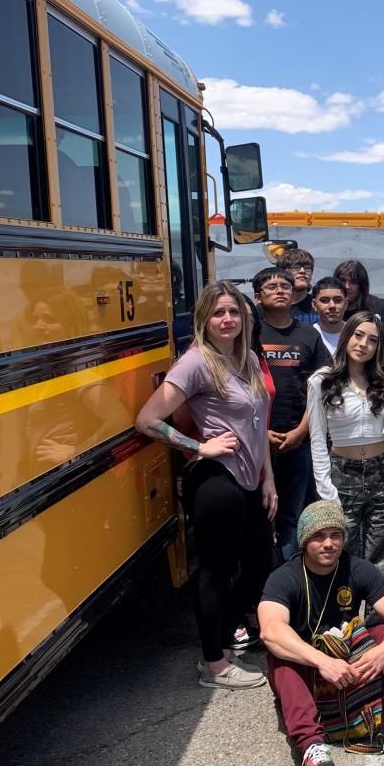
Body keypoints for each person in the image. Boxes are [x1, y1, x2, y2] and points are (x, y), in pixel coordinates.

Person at [135, 281, 274, 690]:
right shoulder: (195, 363)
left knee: (260, 567)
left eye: (233, 311)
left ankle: (223, 637)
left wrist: (270, 481)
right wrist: (199, 446)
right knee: (215, 571)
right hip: (217, 481)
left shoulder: (246, 357)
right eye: (218, 313)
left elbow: (260, 423)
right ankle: (214, 664)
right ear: (204, 320)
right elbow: (146, 419)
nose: (227, 319)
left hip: (251, 480)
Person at [259, 501, 384, 766]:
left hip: (349, 665)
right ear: (304, 541)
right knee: (281, 655)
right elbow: (271, 630)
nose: (328, 544)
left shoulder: (357, 568)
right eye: (318, 536)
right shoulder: (284, 577)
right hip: (310, 671)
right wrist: (321, 661)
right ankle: (311, 745)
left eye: (335, 535)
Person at [306, 311, 384, 574]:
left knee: (382, 553)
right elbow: (318, 439)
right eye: (358, 335)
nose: (363, 344)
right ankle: (346, 613)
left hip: (383, 472)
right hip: (342, 474)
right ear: (346, 336)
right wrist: (326, 489)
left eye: (372, 340)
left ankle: (376, 614)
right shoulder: (322, 380)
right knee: (344, 551)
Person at [254, 266, 332, 558]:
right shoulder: (250, 334)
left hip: (299, 441)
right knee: (261, 515)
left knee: (292, 516)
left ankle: (289, 576)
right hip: (256, 441)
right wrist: (261, 433)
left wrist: (301, 431)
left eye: (285, 286)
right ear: (258, 296)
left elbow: (323, 389)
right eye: (271, 286)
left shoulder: (309, 336)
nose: (280, 290)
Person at [336, 259, 384, 337]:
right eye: (342, 280)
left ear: (362, 285)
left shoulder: (382, 308)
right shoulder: (329, 311)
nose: (347, 286)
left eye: (353, 282)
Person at [276, 245, 318, 325]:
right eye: (295, 267)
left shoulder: (320, 306)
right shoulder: (271, 308)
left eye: (307, 267)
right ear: (282, 272)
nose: (302, 271)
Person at [310, 276, 347, 354]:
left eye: (337, 300)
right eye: (324, 301)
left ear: (346, 304)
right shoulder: (306, 336)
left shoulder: (356, 333)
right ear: (314, 304)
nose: (332, 306)